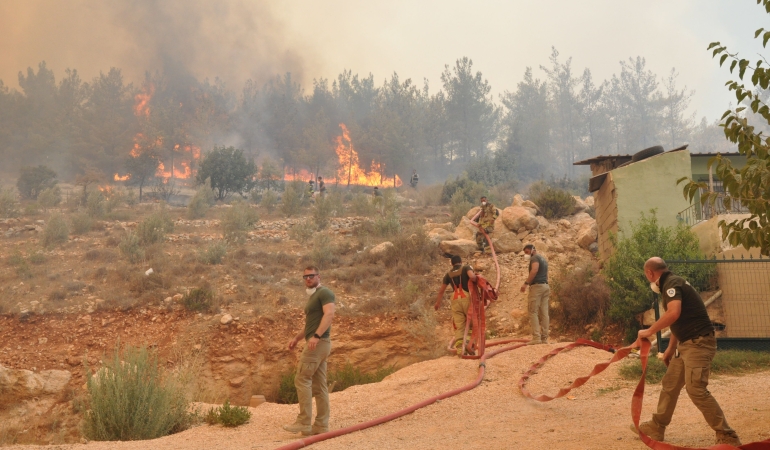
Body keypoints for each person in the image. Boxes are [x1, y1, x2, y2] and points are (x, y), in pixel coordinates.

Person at [632, 257, 741, 446]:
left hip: (698, 344)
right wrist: (670, 349)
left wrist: (649, 331)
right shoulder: (672, 282)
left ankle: (727, 435)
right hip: (687, 344)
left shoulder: (671, 284)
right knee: (671, 384)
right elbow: (679, 320)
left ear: (650, 273)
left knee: (696, 389)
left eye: (646, 275)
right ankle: (657, 427)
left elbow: (673, 313)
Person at [283, 266, 336, 436]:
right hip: (319, 343)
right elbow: (310, 324)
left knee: (302, 378)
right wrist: (297, 338)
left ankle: (304, 422)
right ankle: (321, 425)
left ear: (319, 276)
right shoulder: (314, 297)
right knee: (320, 386)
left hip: (317, 343)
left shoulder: (324, 293)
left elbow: (329, 315)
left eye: (311, 276)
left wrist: (316, 336)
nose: (308, 279)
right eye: (305, 276)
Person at [434, 255, 478, 356]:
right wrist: (477, 279)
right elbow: (472, 277)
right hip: (467, 298)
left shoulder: (448, 275)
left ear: (452, 263)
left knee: (459, 326)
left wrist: (437, 303)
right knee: (471, 323)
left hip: (454, 300)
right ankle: (469, 345)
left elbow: (441, 291)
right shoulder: (466, 267)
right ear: (461, 261)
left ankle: (460, 350)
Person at [519, 244, 549, 345]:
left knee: (533, 311)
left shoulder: (535, 258)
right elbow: (545, 274)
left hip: (537, 287)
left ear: (532, 250)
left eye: (527, 252)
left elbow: (534, 270)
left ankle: (536, 338)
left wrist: (526, 283)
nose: (526, 255)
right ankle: (544, 338)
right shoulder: (543, 259)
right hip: (545, 286)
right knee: (544, 313)